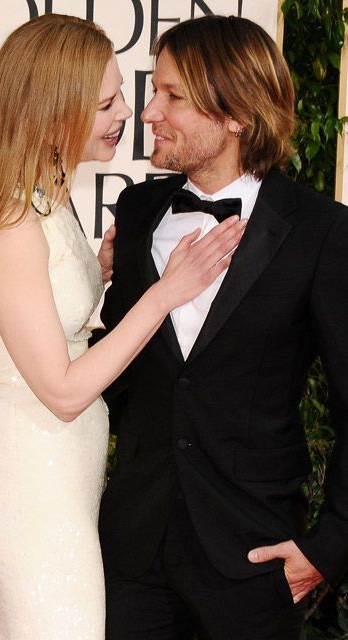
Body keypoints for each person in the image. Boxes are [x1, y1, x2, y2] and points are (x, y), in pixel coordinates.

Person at [0, 13, 245, 640]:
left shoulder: (44, 197)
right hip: (31, 492)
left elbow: (40, 333)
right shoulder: (15, 219)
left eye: (122, 93)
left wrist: (95, 277)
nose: (128, 113)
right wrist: (163, 294)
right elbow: (65, 391)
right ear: (51, 114)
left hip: (50, 481)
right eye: (105, 103)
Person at [96, 14, 348, 640]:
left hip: (252, 557)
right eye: (154, 91)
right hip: (132, 554)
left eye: (172, 96)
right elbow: (115, 366)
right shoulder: (138, 210)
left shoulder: (321, 231)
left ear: (236, 114)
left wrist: (331, 546)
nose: (149, 112)